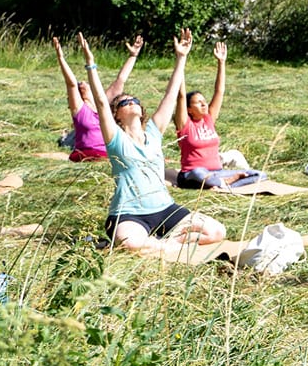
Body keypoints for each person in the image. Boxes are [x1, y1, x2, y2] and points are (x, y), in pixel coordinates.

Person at [78, 31, 226, 254]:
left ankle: (163, 244)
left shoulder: (154, 132)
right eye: (125, 102)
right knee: (131, 243)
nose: (132, 102)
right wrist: (91, 64)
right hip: (129, 213)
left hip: (165, 208)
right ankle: (164, 243)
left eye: (135, 100)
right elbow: (100, 101)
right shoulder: (116, 139)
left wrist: (181, 57)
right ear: (117, 115)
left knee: (216, 231)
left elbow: (171, 95)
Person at [173, 40, 265, 190]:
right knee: (199, 173)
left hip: (217, 173)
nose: (204, 104)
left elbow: (219, 91)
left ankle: (221, 184)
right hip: (191, 175)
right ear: (188, 109)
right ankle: (225, 183)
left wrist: (221, 62)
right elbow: (181, 96)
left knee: (259, 175)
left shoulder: (208, 118)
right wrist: (181, 58)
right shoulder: (185, 125)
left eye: (204, 101)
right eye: (198, 102)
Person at [51, 37, 112, 161]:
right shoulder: (80, 111)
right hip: (84, 155)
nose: (81, 83)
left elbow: (120, 81)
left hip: (107, 157)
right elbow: (71, 84)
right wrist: (61, 58)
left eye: (85, 83)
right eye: (79, 85)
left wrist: (133, 56)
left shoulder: (103, 106)